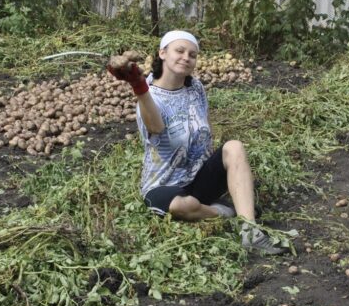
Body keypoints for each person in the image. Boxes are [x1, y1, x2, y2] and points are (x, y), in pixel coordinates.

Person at [107, 30, 285, 255]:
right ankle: (225, 212)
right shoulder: (149, 96)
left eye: (192, 54)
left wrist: (217, 169)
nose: (186, 57)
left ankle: (250, 232)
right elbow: (156, 128)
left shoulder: (195, 88)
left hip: (198, 178)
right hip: (163, 185)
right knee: (185, 205)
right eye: (179, 51)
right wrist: (139, 87)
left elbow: (204, 129)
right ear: (162, 53)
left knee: (234, 147)